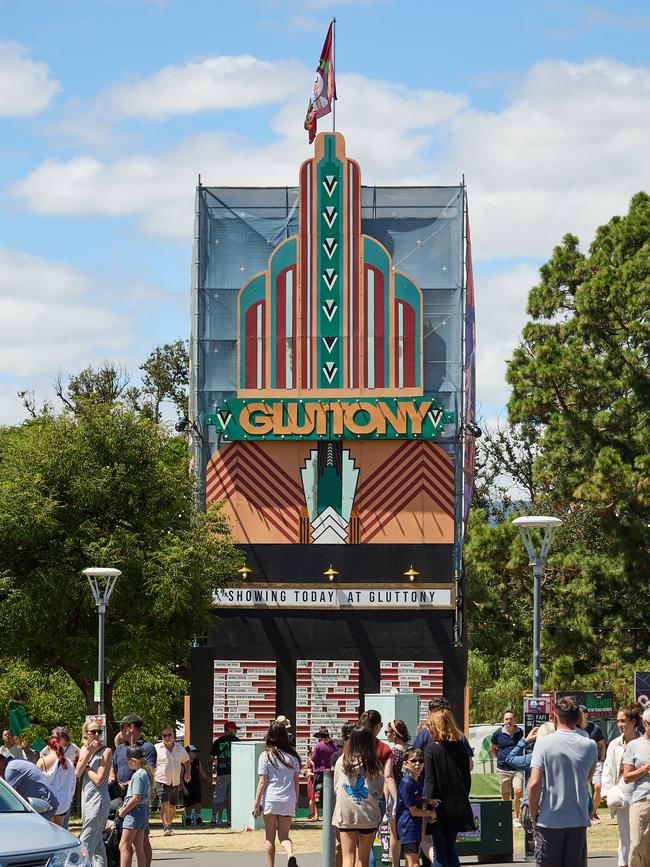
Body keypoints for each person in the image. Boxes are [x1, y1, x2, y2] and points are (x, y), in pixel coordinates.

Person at [528, 695, 598, 867]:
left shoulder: (544, 744)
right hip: (578, 819)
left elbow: (534, 783)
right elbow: (587, 777)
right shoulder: (590, 745)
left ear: (555, 716)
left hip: (550, 819)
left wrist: (533, 813)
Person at [423, 708, 474, 867]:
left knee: (440, 850)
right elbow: (467, 778)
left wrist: (428, 806)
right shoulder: (460, 747)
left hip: (439, 806)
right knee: (450, 848)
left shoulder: (431, 749)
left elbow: (430, 780)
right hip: (459, 804)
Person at [332, 725, 384, 867]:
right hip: (368, 813)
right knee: (363, 858)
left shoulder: (341, 760)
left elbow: (336, 787)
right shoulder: (374, 763)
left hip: (346, 813)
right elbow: (379, 791)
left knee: (347, 858)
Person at [109, 713, 156, 866]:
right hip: (120, 796)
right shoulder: (120, 748)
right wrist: (112, 780)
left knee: (142, 841)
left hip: (135, 797)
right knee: (122, 837)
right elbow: (113, 768)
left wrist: (126, 784)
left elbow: (148, 771)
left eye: (122, 726)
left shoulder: (147, 748)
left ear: (131, 728)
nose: (120, 730)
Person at [252, 721, 301, 867]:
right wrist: (296, 801)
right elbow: (296, 782)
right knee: (284, 836)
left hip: (271, 800)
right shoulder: (293, 757)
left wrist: (256, 803)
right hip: (288, 799)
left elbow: (262, 781)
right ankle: (290, 854)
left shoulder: (265, 756)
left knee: (269, 837)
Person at [603, 704, 641, 867]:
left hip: (642, 792)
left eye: (623, 721)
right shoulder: (614, 744)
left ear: (633, 722)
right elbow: (608, 768)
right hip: (621, 792)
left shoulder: (644, 742)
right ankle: (623, 863)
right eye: (618, 721)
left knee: (640, 834)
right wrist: (607, 791)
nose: (620, 725)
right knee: (625, 834)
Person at [75, 718, 113, 866]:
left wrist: (88, 768)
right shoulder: (84, 749)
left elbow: (99, 780)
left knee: (85, 841)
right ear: (86, 734)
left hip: (99, 801)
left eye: (99, 731)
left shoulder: (106, 751)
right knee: (97, 845)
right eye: (93, 731)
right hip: (87, 799)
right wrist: (89, 753)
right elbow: (78, 773)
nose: (97, 734)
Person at [396, 747, 438, 867]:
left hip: (414, 826)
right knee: (414, 864)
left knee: (410, 864)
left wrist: (429, 800)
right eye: (413, 761)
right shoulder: (407, 783)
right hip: (407, 827)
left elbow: (417, 799)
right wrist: (431, 814)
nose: (418, 764)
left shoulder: (418, 780)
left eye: (420, 760)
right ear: (405, 764)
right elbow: (413, 811)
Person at [413, 698, 475, 770]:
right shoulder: (459, 736)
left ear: (429, 714)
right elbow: (469, 766)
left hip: (428, 779)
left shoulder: (424, 734)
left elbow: (414, 761)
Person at [623, 706, 650, 867]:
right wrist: (644, 769)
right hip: (640, 800)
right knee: (637, 844)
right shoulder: (634, 746)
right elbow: (627, 777)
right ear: (644, 723)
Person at [116, 746, 152, 867]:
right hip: (142, 811)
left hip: (134, 812)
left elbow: (135, 798)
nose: (127, 763)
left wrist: (123, 811)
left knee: (123, 846)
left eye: (127, 760)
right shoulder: (144, 773)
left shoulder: (137, 775)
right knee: (139, 846)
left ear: (133, 760)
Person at [39, 726, 80, 828]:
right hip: (62, 796)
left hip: (62, 790)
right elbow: (42, 756)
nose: (54, 738)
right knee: (58, 828)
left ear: (63, 737)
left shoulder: (74, 749)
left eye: (56, 736)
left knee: (58, 827)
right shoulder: (48, 748)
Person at [490, 710, 525, 827]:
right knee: (505, 795)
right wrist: (499, 758)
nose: (508, 721)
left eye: (510, 719)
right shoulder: (497, 734)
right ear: (503, 720)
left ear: (514, 720)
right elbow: (493, 748)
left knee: (518, 790)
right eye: (506, 719)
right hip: (503, 769)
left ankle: (516, 817)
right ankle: (506, 817)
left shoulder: (521, 732)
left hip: (518, 768)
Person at [154, 726, 191, 836]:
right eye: (164, 735)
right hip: (161, 780)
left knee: (173, 805)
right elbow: (150, 763)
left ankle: (169, 824)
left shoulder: (180, 748)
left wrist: (187, 773)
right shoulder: (156, 748)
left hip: (175, 781)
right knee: (164, 803)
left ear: (173, 736)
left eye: (169, 735)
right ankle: (166, 826)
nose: (167, 737)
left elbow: (187, 760)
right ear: (162, 737)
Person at [0, 753, 59, 819]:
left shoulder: (11, 769)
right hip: (43, 805)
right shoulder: (14, 763)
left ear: (1, 762)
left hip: (43, 806)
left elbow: (8, 797)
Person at [385, 719, 410, 867]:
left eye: (387, 732)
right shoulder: (413, 750)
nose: (386, 735)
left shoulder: (393, 752)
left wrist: (387, 798)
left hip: (396, 796)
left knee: (395, 835)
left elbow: (389, 777)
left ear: (395, 734)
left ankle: (395, 865)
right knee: (411, 835)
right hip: (412, 796)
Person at [579, 704, 607, 822]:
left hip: (595, 762)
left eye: (583, 712)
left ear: (586, 714)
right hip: (580, 763)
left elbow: (602, 744)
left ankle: (593, 813)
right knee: (582, 788)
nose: (581, 714)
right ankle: (584, 812)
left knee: (598, 786)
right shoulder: (573, 728)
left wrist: (602, 758)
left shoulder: (595, 728)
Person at [210, 720, 239, 826]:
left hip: (221, 773)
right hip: (234, 773)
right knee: (231, 797)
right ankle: (230, 820)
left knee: (218, 796)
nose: (235, 731)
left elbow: (211, 758)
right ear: (230, 729)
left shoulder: (218, 741)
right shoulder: (236, 741)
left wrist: (214, 766)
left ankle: (213, 818)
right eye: (234, 729)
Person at [310, 728, 337, 816]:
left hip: (320, 773)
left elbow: (313, 759)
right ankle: (331, 813)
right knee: (332, 794)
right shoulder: (335, 745)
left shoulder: (318, 746)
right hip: (332, 773)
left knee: (318, 792)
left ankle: (317, 814)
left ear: (320, 737)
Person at [181, 744, 208, 827]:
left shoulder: (197, 762)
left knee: (198, 802)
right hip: (187, 786)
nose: (195, 754)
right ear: (187, 753)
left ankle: (198, 818)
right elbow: (180, 777)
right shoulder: (183, 764)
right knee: (187, 803)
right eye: (193, 752)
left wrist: (207, 779)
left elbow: (202, 773)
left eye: (195, 752)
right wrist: (184, 788)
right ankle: (188, 818)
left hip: (196, 785)